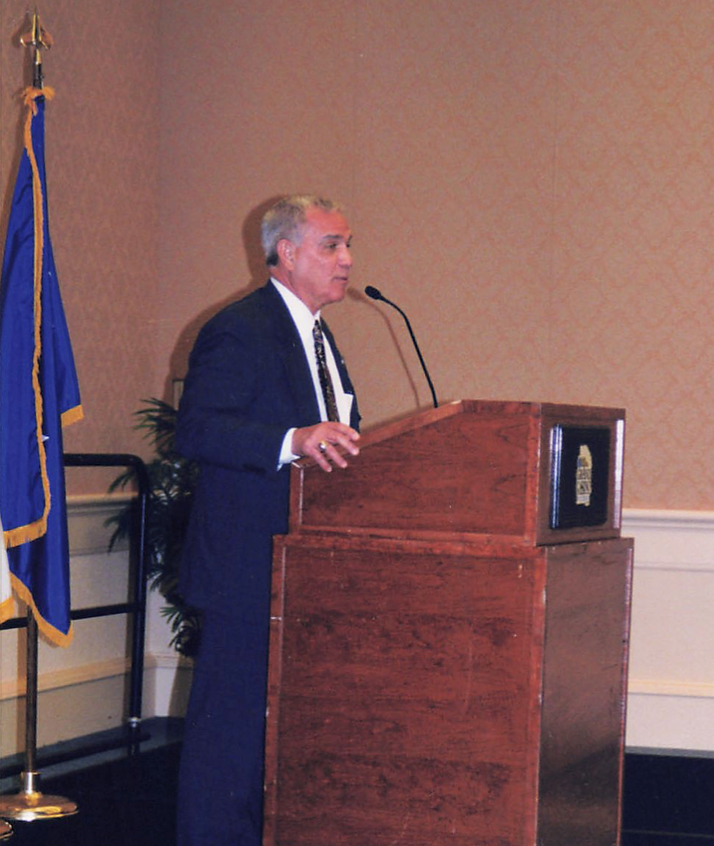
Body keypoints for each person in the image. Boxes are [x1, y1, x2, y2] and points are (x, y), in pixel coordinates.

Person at [174, 195, 361, 845]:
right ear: (286, 253)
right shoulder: (240, 328)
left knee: (276, 739)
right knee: (227, 739)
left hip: (304, 568)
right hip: (245, 569)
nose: (347, 259)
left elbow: (335, 438)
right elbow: (197, 429)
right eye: (332, 245)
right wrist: (292, 439)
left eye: (346, 245)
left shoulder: (318, 335)